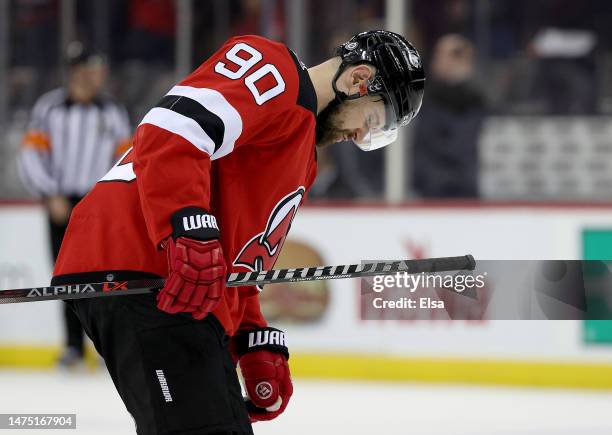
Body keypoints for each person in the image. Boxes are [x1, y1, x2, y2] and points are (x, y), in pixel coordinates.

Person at [50, 30, 424, 434]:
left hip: (177, 287)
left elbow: (239, 257)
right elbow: (169, 129)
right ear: (357, 79)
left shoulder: (302, 154)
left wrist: (252, 335)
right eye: (371, 119)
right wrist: (187, 227)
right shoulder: (273, 70)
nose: (359, 137)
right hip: (141, 265)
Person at [18, 42, 132, 368]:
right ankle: (72, 347)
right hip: (61, 201)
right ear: (77, 72)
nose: (99, 76)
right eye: (93, 69)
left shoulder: (113, 111)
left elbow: (125, 159)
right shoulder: (49, 108)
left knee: (106, 278)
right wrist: (49, 193)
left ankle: (106, 347)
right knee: (65, 278)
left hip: (98, 203)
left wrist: (112, 201)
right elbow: (31, 155)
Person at [412, 34, 484, 198]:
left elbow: (462, 144)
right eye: (439, 53)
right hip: (430, 189)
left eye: (454, 55)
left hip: (463, 188)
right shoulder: (423, 98)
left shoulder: (473, 99)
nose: (442, 60)